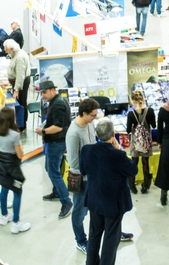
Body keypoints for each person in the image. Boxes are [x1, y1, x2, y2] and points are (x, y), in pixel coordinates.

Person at [80, 118, 137, 265]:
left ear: (97, 135)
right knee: (111, 237)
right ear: (113, 134)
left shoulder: (87, 150)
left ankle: (91, 262)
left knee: (94, 234)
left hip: (94, 200)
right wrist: (119, 150)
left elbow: (83, 170)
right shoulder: (117, 155)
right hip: (113, 203)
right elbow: (132, 170)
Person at [66, 98, 100, 254]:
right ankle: (80, 240)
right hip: (82, 180)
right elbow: (73, 162)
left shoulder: (90, 123)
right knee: (80, 212)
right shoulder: (73, 133)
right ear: (84, 113)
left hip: (93, 176)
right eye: (93, 115)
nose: (95, 118)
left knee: (99, 208)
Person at [36, 80, 74, 218]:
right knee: (50, 168)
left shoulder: (58, 104)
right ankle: (57, 192)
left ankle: (66, 202)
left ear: (53, 90)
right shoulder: (56, 101)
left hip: (57, 142)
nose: (43, 96)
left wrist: (43, 131)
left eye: (45, 92)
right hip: (56, 141)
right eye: (41, 93)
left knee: (53, 172)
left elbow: (58, 127)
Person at [0, 107, 30, 233]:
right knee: (17, 192)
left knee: (4, 189)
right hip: (13, 168)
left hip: (0, 166)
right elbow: (19, 154)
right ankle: (16, 223)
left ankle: (4, 216)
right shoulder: (15, 135)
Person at [126, 90, 156, 194]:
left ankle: (132, 185)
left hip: (135, 143)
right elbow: (154, 125)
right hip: (146, 142)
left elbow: (128, 130)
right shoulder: (150, 111)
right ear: (143, 99)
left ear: (133, 101)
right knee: (145, 163)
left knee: (134, 162)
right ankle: (146, 185)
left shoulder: (131, 113)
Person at [3, 39, 30, 131]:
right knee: (20, 102)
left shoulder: (19, 58)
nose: (5, 50)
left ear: (12, 49)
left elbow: (20, 75)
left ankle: (21, 125)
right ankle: (20, 123)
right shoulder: (15, 53)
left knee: (21, 103)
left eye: (6, 49)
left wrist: (16, 89)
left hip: (21, 83)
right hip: (18, 82)